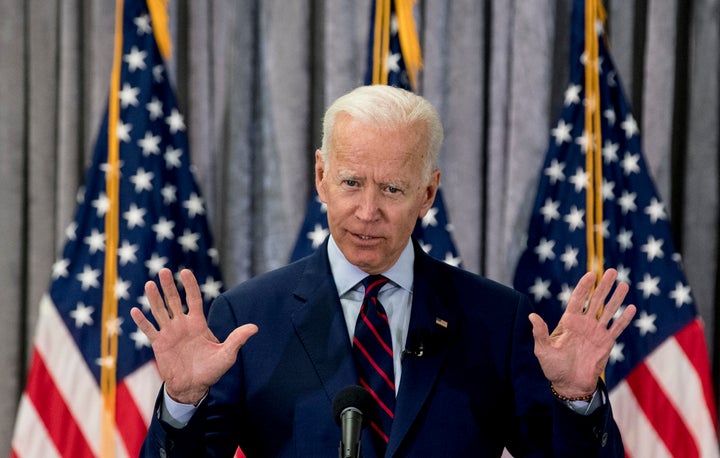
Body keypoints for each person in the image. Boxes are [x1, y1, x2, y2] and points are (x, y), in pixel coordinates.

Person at [131, 84, 636, 457]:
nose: (368, 211)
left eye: (392, 189)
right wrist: (182, 401)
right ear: (321, 176)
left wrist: (575, 399)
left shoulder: (496, 320)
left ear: (428, 193)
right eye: (351, 182)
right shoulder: (249, 318)